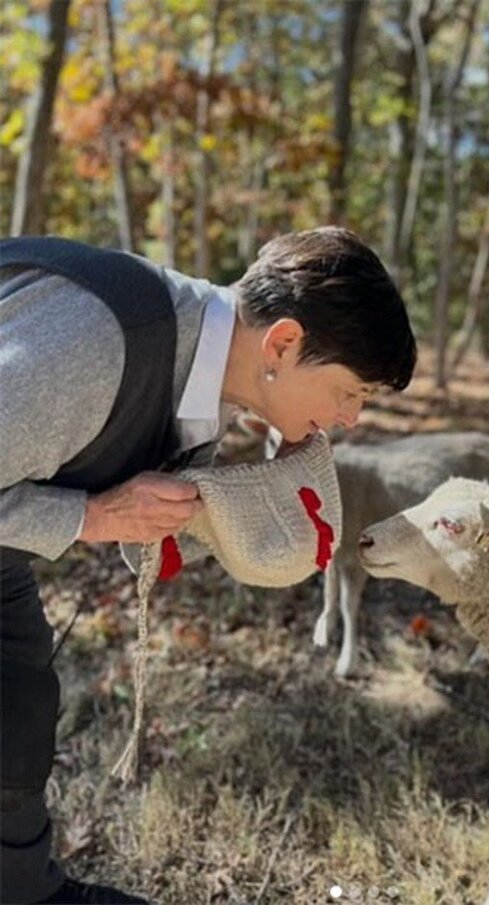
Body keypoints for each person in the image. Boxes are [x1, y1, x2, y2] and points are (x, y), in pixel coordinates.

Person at [0, 227, 417, 904]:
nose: (351, 418)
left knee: (18, 705)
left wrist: (248, 499)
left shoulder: (206, 376)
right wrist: (94, 516)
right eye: (351, 391)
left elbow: (151, 534)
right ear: (282, 343)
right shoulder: (102, 343)